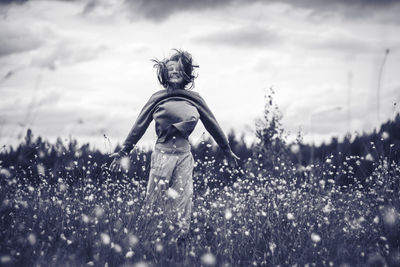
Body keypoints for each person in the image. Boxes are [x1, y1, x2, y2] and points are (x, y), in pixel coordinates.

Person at [109, 49, 239, 240]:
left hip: (184, 157)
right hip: (162, 154)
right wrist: (124, 151)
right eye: (170, 69)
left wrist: (227, 150)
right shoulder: (157, 97)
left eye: (179, 69)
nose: (175, 72)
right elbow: (140, 125)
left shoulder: (195, 98)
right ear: (164, 73)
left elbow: (212, 124)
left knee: (183, 198)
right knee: (155, 199)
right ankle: (150, 239)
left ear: (186, 72)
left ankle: (178, 240)